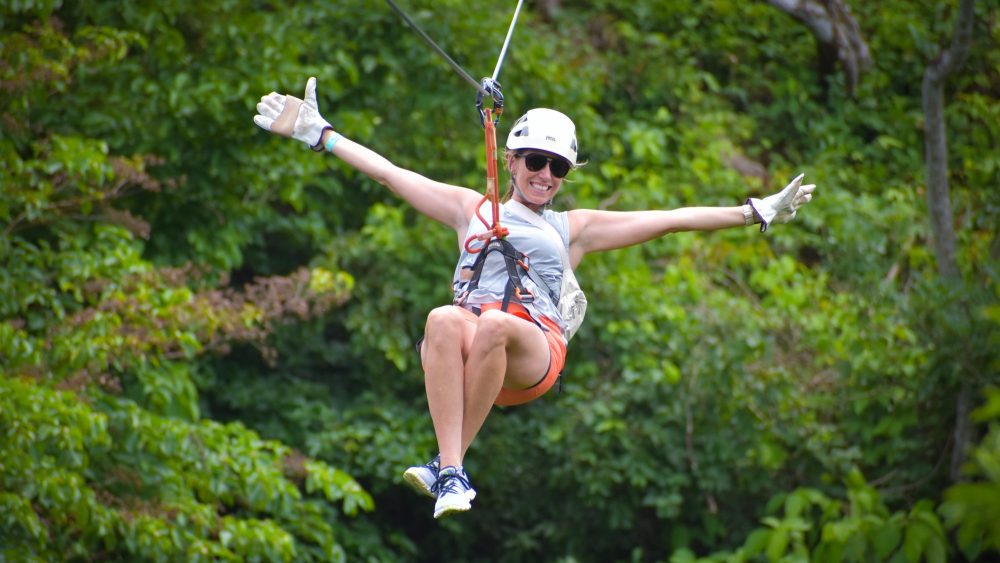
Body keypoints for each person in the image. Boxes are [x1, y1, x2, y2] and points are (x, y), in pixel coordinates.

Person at [254, 77, 815, 519]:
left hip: (533, 348)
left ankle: (452, 468)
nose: (545, 175)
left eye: (558, 167)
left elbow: (668, 221)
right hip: (473, 346)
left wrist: (753, 212)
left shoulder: (574, 228)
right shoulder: (470, 207)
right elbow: (390, 174)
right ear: (513, 161)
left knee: (496, 325)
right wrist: (320, 134)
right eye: (536, 162)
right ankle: (448, 469)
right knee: (443, 319)